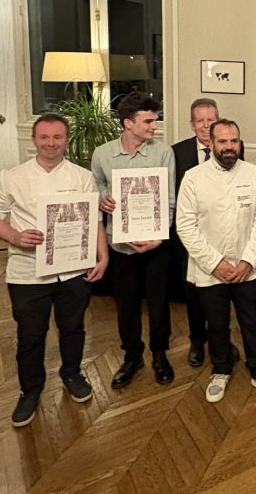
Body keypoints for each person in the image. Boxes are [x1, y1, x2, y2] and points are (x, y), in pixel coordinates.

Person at [0, 114, 109, 426]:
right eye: (44, 137)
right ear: (34, 140)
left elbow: (94, 220)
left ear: (67, 140)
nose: (51, 143)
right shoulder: (11, 177)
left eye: (57, 137)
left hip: (73, 270)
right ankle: (30, 390)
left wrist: (102, 256)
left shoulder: (81, 177)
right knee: (31, 335)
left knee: (73, 327)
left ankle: (72, 374)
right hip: (27, 272)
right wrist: (15, 236)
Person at [176, 119, 256, 404]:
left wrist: (248, 260)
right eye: (222, 141)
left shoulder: (252, 173)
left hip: (246, 267)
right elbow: (185, 225)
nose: (229, 147)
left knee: (252, 321)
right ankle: (221, 370)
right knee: (217, 324)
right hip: (210, 270)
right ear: (211, 143)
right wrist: (215, 263)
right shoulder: (193, 177)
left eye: (234, 141)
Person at [91, 92, 176, 389]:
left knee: (158, 302)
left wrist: (158, 238)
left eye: (155, 120)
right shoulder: (102, 154)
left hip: (155, 245)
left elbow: (169, 200)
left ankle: (160, 354)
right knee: (126, 304)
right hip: (120, 244)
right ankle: (132, 356)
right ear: (128, 123)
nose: (154, 126)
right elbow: (96, 185)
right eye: (148, 121)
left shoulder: (163, 153)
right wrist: (102, 198)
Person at [171, 97, 239, 368]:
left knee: (221, 297)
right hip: (190, 241)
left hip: (223, 240)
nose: (205, 125)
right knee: (194, 295)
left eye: (211, 119)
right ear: (192, 124)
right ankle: (197, 341)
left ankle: (222, 341)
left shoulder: (232, 148)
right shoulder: (177, 153)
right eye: (200, 120)